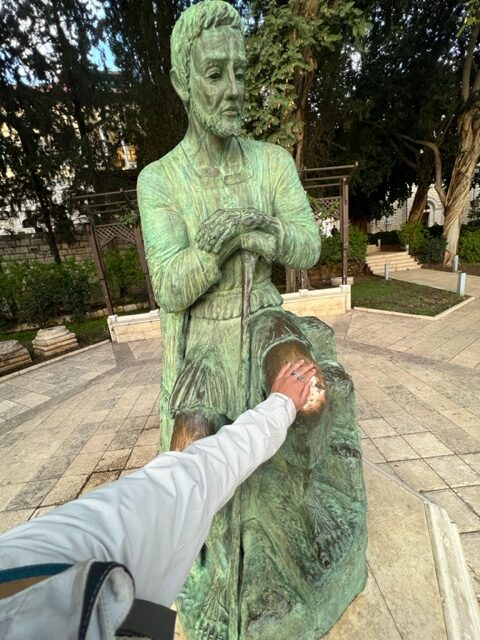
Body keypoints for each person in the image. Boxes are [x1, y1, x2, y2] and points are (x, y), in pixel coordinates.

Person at [137, 2, 367, 638]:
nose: (235, 89)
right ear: (184, 82)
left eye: (241, 72)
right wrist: (211, 247)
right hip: (205, 341)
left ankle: (309, 541)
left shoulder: (271, 163)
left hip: (265, 315)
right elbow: (170, 284)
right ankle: (205, 575)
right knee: (191, 444)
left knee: (310, 396)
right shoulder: (159, 180)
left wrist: (257, 231)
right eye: (216, 74)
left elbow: (306, 243)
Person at [0, 362, 314, 640]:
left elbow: (182, 485)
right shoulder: (42, 573)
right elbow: (185, 484)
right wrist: (280, 406)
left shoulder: (30, 573)